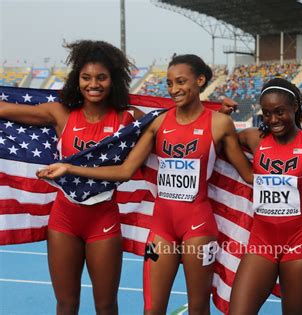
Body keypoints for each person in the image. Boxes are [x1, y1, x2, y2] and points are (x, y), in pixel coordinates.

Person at [37, 54, 254, 314]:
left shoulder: (220, 123)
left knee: (198, 307)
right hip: (161, 227)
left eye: (181, 82)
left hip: (198, 224)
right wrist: (69, 167)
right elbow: (126, 170)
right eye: (170, 83)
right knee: (152, 310)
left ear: (200, 80)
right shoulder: (158, 122)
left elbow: (249, 174)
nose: (174, 89)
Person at [0, 40, 142, 314]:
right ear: (77, 80)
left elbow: (181, 121)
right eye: (86, 77)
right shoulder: (61, 113)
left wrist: (218, 112)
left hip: (103, 219)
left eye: (101, 77)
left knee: (106, 306)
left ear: (113, 80)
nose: (94, 84)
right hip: (63, 219)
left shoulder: (128, 119)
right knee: (65, 304)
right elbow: (4, 110)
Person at [227, 78, 302, 314]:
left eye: (279, 112)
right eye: (267, 113)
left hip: (299, 244)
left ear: (295, 107)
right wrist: (220, 113)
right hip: (261, 242)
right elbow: (223, 135)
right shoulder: (254, 138)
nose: (273, 120)